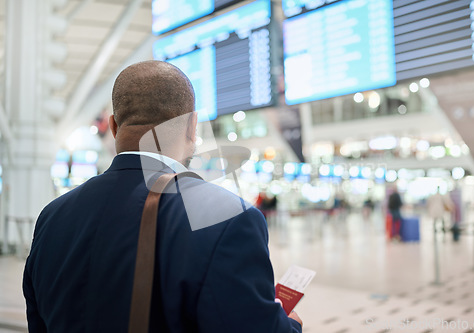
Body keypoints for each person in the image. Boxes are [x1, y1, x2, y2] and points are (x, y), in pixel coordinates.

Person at [23, 61, 302, 332]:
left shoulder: (52, 216)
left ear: (114, 126)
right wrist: (291, 326)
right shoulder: (229, 219)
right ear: (192, 127)